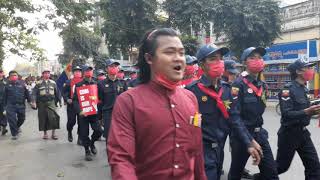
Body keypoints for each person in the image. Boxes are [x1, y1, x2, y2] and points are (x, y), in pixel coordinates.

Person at [107, 28, 207, 180]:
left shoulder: (191, 98)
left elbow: (196, 152)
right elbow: (121, 159)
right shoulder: (128, 101)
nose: (178, 58)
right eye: (169, 52)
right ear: (149, 58)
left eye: (181, 53)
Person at [186, 45, 261, 180]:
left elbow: (235, 119)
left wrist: (249, 142)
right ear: (202, 64)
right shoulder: (192, 91)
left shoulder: (227, 90)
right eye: (213, 59)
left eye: (220, 59)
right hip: (202, 151)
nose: (219, 63)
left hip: (219, 150)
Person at [228, 47, 279, 180]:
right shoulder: (237, 85)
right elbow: (234, 117)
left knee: (271, 173)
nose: (257, 60)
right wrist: (249, 142)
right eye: (252, 58)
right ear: (245, 63)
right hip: (242, 138)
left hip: (260, 134)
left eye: (260, 58)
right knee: (235, 174)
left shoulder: (262, 85)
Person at [277, 59, 320, 179]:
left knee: (314, 166)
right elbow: (286, 114)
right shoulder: (287, 89)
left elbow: (307, 111)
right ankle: (259, 177)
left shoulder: (305, 89)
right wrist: (307, 111)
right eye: (308, 68)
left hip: (303, 133)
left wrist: (314, 111)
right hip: (289, 134)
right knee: (281, 167)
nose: (312, 70)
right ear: (298, 71)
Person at [73, 65, 102, 161]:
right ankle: (87, 151)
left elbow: (100, 97)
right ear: (83, 72)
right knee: (84, 134)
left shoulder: (97, 84)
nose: (88, 72)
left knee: (98, 131)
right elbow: (75, 100)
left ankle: (92, 143)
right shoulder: (79, 85)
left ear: (92, 72)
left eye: (90, 70)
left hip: (94, 113)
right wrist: (80, 111)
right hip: (83, 114)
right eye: (86, 70)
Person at [98, 59, 127, 139]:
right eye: (111, 66)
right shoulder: (101, 84)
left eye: (115, 66)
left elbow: (127, 101)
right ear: (106, 69)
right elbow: (99, 102)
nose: (114, 68)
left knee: (121, 137)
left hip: (121, 114)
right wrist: (99, 118)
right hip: (108, 114)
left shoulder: (123, 83)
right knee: (109, 136)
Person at [3, 70, 32, 140]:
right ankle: (14, 134)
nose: (14, 77)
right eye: (12, 76)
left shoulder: (22, 84)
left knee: (22, 118)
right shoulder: (6, 86)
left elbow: (27, 93)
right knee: (12, 120)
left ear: (17, 76)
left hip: (21, 105)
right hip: (10, 106)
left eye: (15, 75)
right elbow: (4, 98)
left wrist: (30, 101)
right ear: (9, 77)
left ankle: (17, 127)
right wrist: (4, 108)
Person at [33, 69, 61, 140]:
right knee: (43, 118)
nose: (47, 74)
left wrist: (60, 101)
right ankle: (45, 134)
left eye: (48, 73)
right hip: (41, 103)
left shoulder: (53, 83)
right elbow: (34, 93)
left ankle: (53, 134)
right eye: (45, 73)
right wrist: (33, 102)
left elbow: (57, 92)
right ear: (42, 74)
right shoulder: (38, 83)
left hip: (51, 102)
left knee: (54, 118)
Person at [62, 66, 83, 143]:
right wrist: (67, 99)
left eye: (79, 71)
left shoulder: (84, 82)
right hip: (71, 105)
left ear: (81, 73)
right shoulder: (68, 82)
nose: (77, 73)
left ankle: (80, 138)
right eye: (76, 71)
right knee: (71, 121)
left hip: (81, 105)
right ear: (73, 73)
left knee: (81, 122)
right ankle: (69, 131)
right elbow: (63, 92)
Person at [0, 69, 8, 135]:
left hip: (4, 101)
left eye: (1, 72)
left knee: (4, 114)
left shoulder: (6, 81)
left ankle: (4, 128)